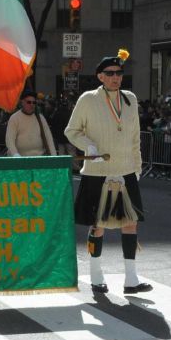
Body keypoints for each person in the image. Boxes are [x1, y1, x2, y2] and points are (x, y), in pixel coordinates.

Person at [65, 50, 151, 295]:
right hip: (97, 171)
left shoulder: (131, 99)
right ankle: (95, 276)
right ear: (100, 76)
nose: (116, 77)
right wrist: (88, 145)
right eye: (110, 74)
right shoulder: (87, 99)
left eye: (119, 73)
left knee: (131, 224)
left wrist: (137, 167)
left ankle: (131, 279)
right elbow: (71, 131)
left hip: (125, 171)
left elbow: (135, 136)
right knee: (97, 225)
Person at [5, 90, 57, 157]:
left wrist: (54, 157)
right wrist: (16, 155)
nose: (31, 104)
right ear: (22, 102)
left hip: (38, 158)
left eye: (34, 102)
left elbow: (49, 139)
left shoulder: (41, 118)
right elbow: (9, 140)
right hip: (19, 159)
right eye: (28, 102)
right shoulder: (14, 118)